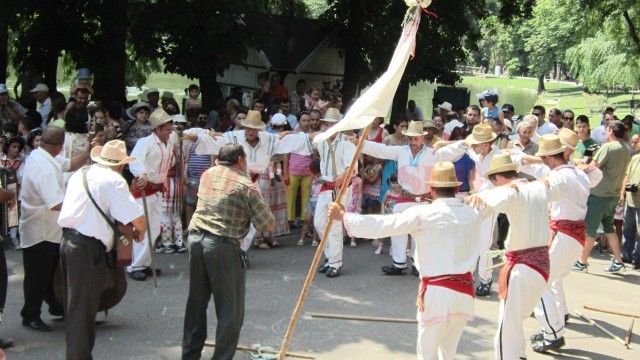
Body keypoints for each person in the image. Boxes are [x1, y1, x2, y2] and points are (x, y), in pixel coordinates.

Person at [328, 162, 484, 360]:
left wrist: (344, 216)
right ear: (455, 188)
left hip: (437, 293)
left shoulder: (424, 213)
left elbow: (385, 224)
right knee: (449, 351)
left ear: (432, 190)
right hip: (465, 292)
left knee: (427, 352)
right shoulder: (473, 212)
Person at [465, 154, 565, 360]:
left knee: (507, 327)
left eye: (493, 181)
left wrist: (481, 198)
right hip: (541, 266)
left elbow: (497, 198)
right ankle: (518, 355)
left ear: (500, 178)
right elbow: (559, 184)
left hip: (523, 268)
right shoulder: (539, 188)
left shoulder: (512, 192)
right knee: (515, 319)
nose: (493, 185)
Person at [182, 143, 275, 360]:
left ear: (218, 160)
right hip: (223, 245)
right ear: (241, 160)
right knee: (229, 310)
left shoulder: (207, 174)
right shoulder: (246, 185)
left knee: (196, 303)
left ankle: (189, 356)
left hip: (195, 240)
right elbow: (267, 224)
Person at [57, 140, 146, 360]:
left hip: (69, 241)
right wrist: (140, 231)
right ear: (120, 165)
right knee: (82, 311)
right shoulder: (113, 180)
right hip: (86, 248)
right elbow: (138, 220)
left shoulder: (82, 173)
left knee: (76, 308)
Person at [516, 134, 599, 352]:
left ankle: (553, 332)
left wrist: (522, 187)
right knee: (554, 280)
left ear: (551, 158)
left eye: (544, 158)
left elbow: (546, 187)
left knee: (539, 281)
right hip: (574, 235)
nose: (543, 161)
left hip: (564, 234)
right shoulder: (578, 173)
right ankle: (557, 321)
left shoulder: (560, 177)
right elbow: (597, 174)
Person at [355, 120, 461, 275]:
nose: (412, 142)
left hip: (424, 200)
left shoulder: (433, 153)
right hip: (403, 198)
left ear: (422, 138)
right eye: (410, 138)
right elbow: (380, 150)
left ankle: (417, 264)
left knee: (420, 232)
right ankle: (399, 263)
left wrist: (468, 143)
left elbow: (453, 152)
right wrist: (360, 143)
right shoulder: (401, 151)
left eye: (415, 138)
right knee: (398, 228)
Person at [19, 126, 91, 332]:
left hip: (49, 228)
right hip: (40, 229)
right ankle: (30, 314)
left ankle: (55, 305)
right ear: (60, 146)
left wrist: (89, 150)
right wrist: (84, 204)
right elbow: (55, 203)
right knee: (38, 275)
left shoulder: (42, 156)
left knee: (50, 271)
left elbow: (70, 164)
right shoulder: (43, 168)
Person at [573, 120, 631, 273]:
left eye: (607, 130)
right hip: (613, 194)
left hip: (599, 195)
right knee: (609, 228)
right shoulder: (626, 148)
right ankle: (618, 261)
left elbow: (592, 167)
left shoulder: (608, 147)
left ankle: (582, 261)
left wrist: (576, 165)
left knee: (590, 229)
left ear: (611, 131)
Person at [127, 109, 177, 281]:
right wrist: (141, 173)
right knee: (141, 228)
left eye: (171, 129)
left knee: (155, 228)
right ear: (157, 129)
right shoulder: (145, 142)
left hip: (157, 189)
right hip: (144, 189)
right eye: (167, 130)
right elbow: (135, 160)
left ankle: (144, 262)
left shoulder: (169, 143)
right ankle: (134, 265)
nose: (170, 132)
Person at [621, 133, 640, 270]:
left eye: (636, 142)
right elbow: (627, 177)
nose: (633, 145)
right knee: (627, 228)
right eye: (632, 142)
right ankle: (626, 255)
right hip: (630, 200)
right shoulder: (634, 158)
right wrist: (622, 194)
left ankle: (637, 258)